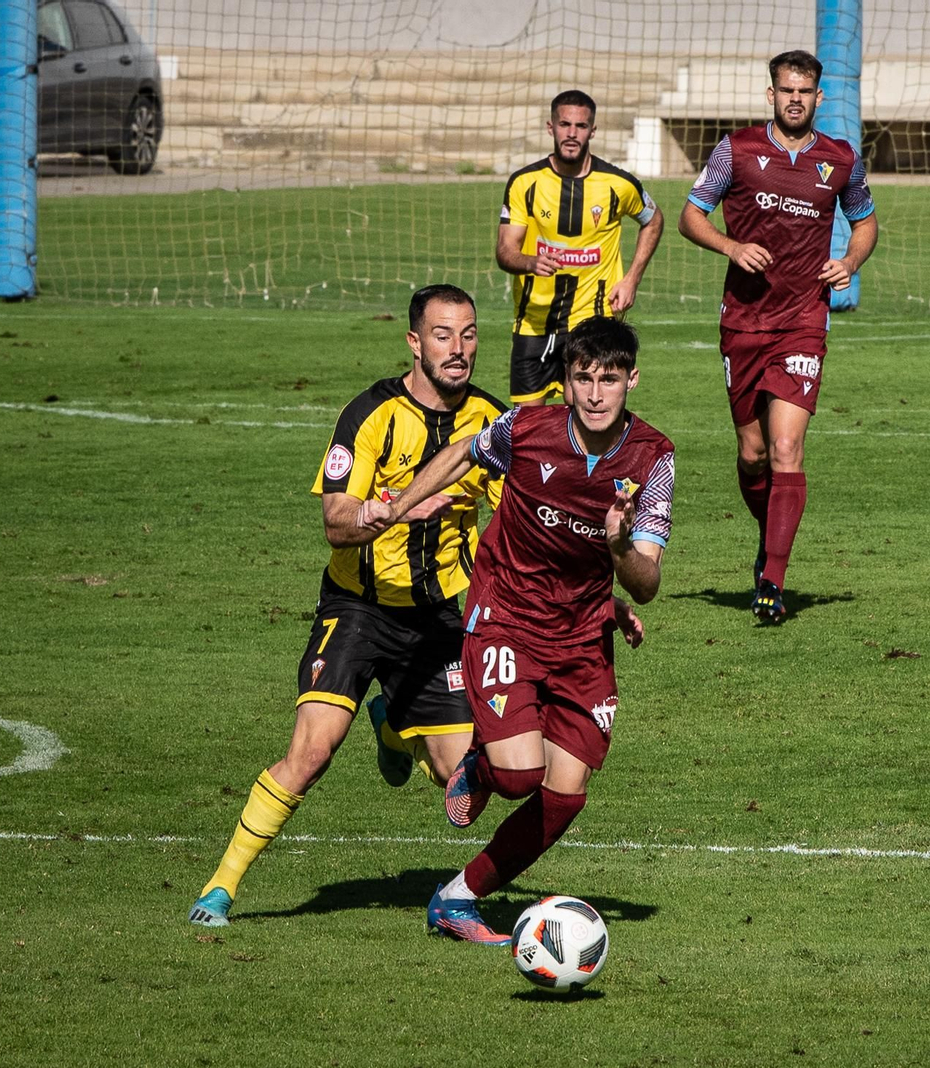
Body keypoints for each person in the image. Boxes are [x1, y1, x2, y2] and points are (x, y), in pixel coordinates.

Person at [188, 284, 508, 926]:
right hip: (359, 609)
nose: (458, 349)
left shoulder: (493, 425)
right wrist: (396, 509)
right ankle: (220, 888)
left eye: (468, 334)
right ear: (414, 342)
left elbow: (515, 526)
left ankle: (393, 723)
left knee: (465, 787)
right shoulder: (368, 414)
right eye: (443, 335)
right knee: (311, 753)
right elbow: (336, 525)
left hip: (441, 620)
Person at [365, 316, 674, 945]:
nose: (594, 393)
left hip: (583, 636)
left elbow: (645, 582)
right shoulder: (526, 428)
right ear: (565, 381)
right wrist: (398, 507)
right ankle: (479, 764)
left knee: (565, 793)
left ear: (631, 381)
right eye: (582, 378)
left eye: (609, 380)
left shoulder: (654, 459)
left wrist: (617, 548)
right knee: (517, 778)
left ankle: (457, 899)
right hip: (505, 615)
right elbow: (460, 454)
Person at [677, 49, 878, 623]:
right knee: (753, 453)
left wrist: (851, 260)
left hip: (802, 321)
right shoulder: (735, 150)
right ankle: (772, 537)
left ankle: (772, 579)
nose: (796, 99)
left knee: (788, 448)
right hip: (742, 321)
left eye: (806, 91)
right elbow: (693, 214)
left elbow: (865, 220)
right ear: (771, 94)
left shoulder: (840, 159)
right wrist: (730, 247)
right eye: (787, 90)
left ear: (819, 98)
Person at [497, 89, 664, 406]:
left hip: (593, 324)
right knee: (529, 432)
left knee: (589, 420)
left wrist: (632, 279)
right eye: (564, 124)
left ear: (593, 131)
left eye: (581, 126)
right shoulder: (524, 183)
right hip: (534, 324)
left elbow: (653, 220)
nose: (572, 134)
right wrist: (530, 262)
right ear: (551, 127)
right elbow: (505, 251)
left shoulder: (618, 184)